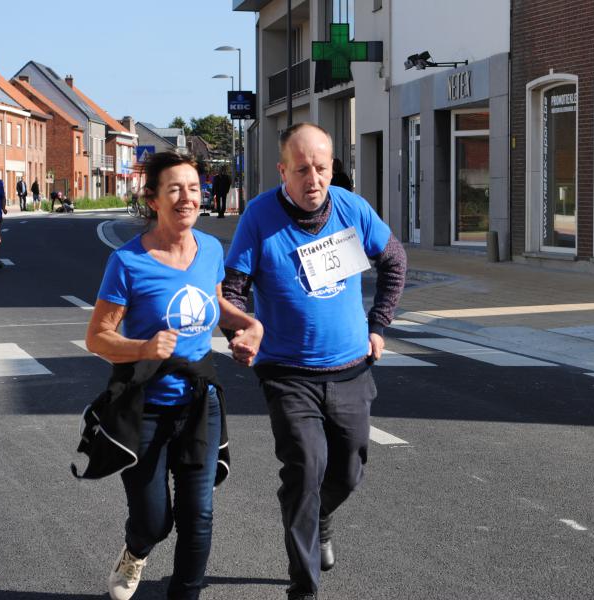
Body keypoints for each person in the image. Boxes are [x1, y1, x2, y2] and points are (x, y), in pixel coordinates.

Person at [223, 122, 407, 600]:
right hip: (287, 373)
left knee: (347, 469)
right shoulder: (260, 217)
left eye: (321, 168)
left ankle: (321, 517)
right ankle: (304, 588)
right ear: (283, 170)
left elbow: (394, 260)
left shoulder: (352, 209)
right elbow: (234, 289)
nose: (313, 179)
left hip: (350, 367)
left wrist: (378, 325)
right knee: (305, 468)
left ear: (332, 168)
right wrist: (241, 331)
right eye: (301, 169)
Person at [84, 151, 263, 600]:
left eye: (195, 189)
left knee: (199, 515)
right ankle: (136, 549)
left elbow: (213, 302)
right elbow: (98, 338)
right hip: (144, 405)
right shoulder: (128, 263)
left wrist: (249, 325)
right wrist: (144, 348)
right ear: (154, 199)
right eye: (175, 189)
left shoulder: (210, 250)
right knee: (153, 520)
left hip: (200, 400)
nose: (188, 198)